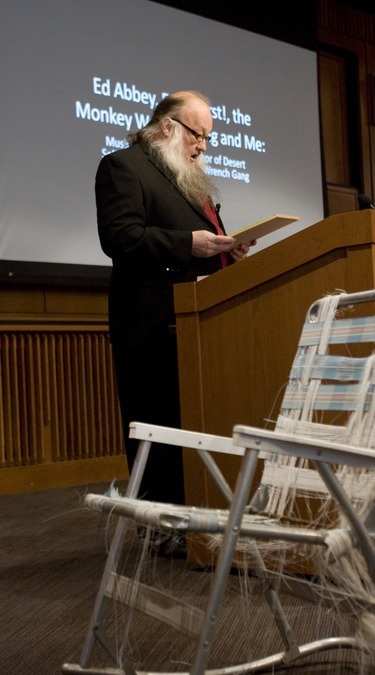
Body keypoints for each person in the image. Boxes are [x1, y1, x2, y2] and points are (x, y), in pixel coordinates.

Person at [95, 90, 254, 506]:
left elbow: (202, 241)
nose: (202, 145)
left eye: (207, 138)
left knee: (191, 426)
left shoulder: (186, 175)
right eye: (197, 135)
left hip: (197, 324)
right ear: (168, 126)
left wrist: (227, 249)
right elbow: (120, 238)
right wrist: (188, 244)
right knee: (155, 426)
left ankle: (196, 514)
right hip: (151, 327)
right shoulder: (122, 167)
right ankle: (158, 526)